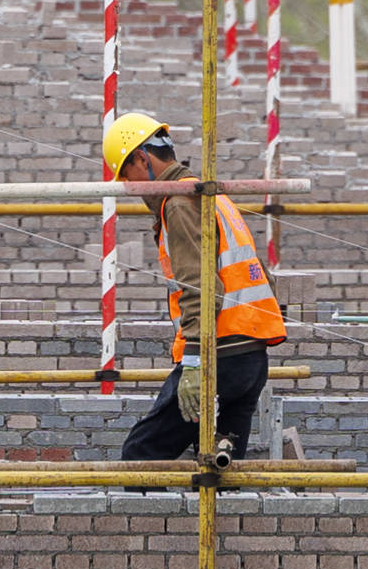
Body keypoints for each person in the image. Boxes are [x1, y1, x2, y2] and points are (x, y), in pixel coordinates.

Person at [104, 109, 285, 463]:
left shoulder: (180, 203)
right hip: (250, 358)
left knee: (142, 456)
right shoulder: (211, 195)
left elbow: (200, 285)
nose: (131, 189)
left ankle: (149, 517)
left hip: (219, 356)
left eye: (129, 177)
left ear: (143, 159)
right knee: (219, 472)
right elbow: (259, 273)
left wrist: (192, 364)